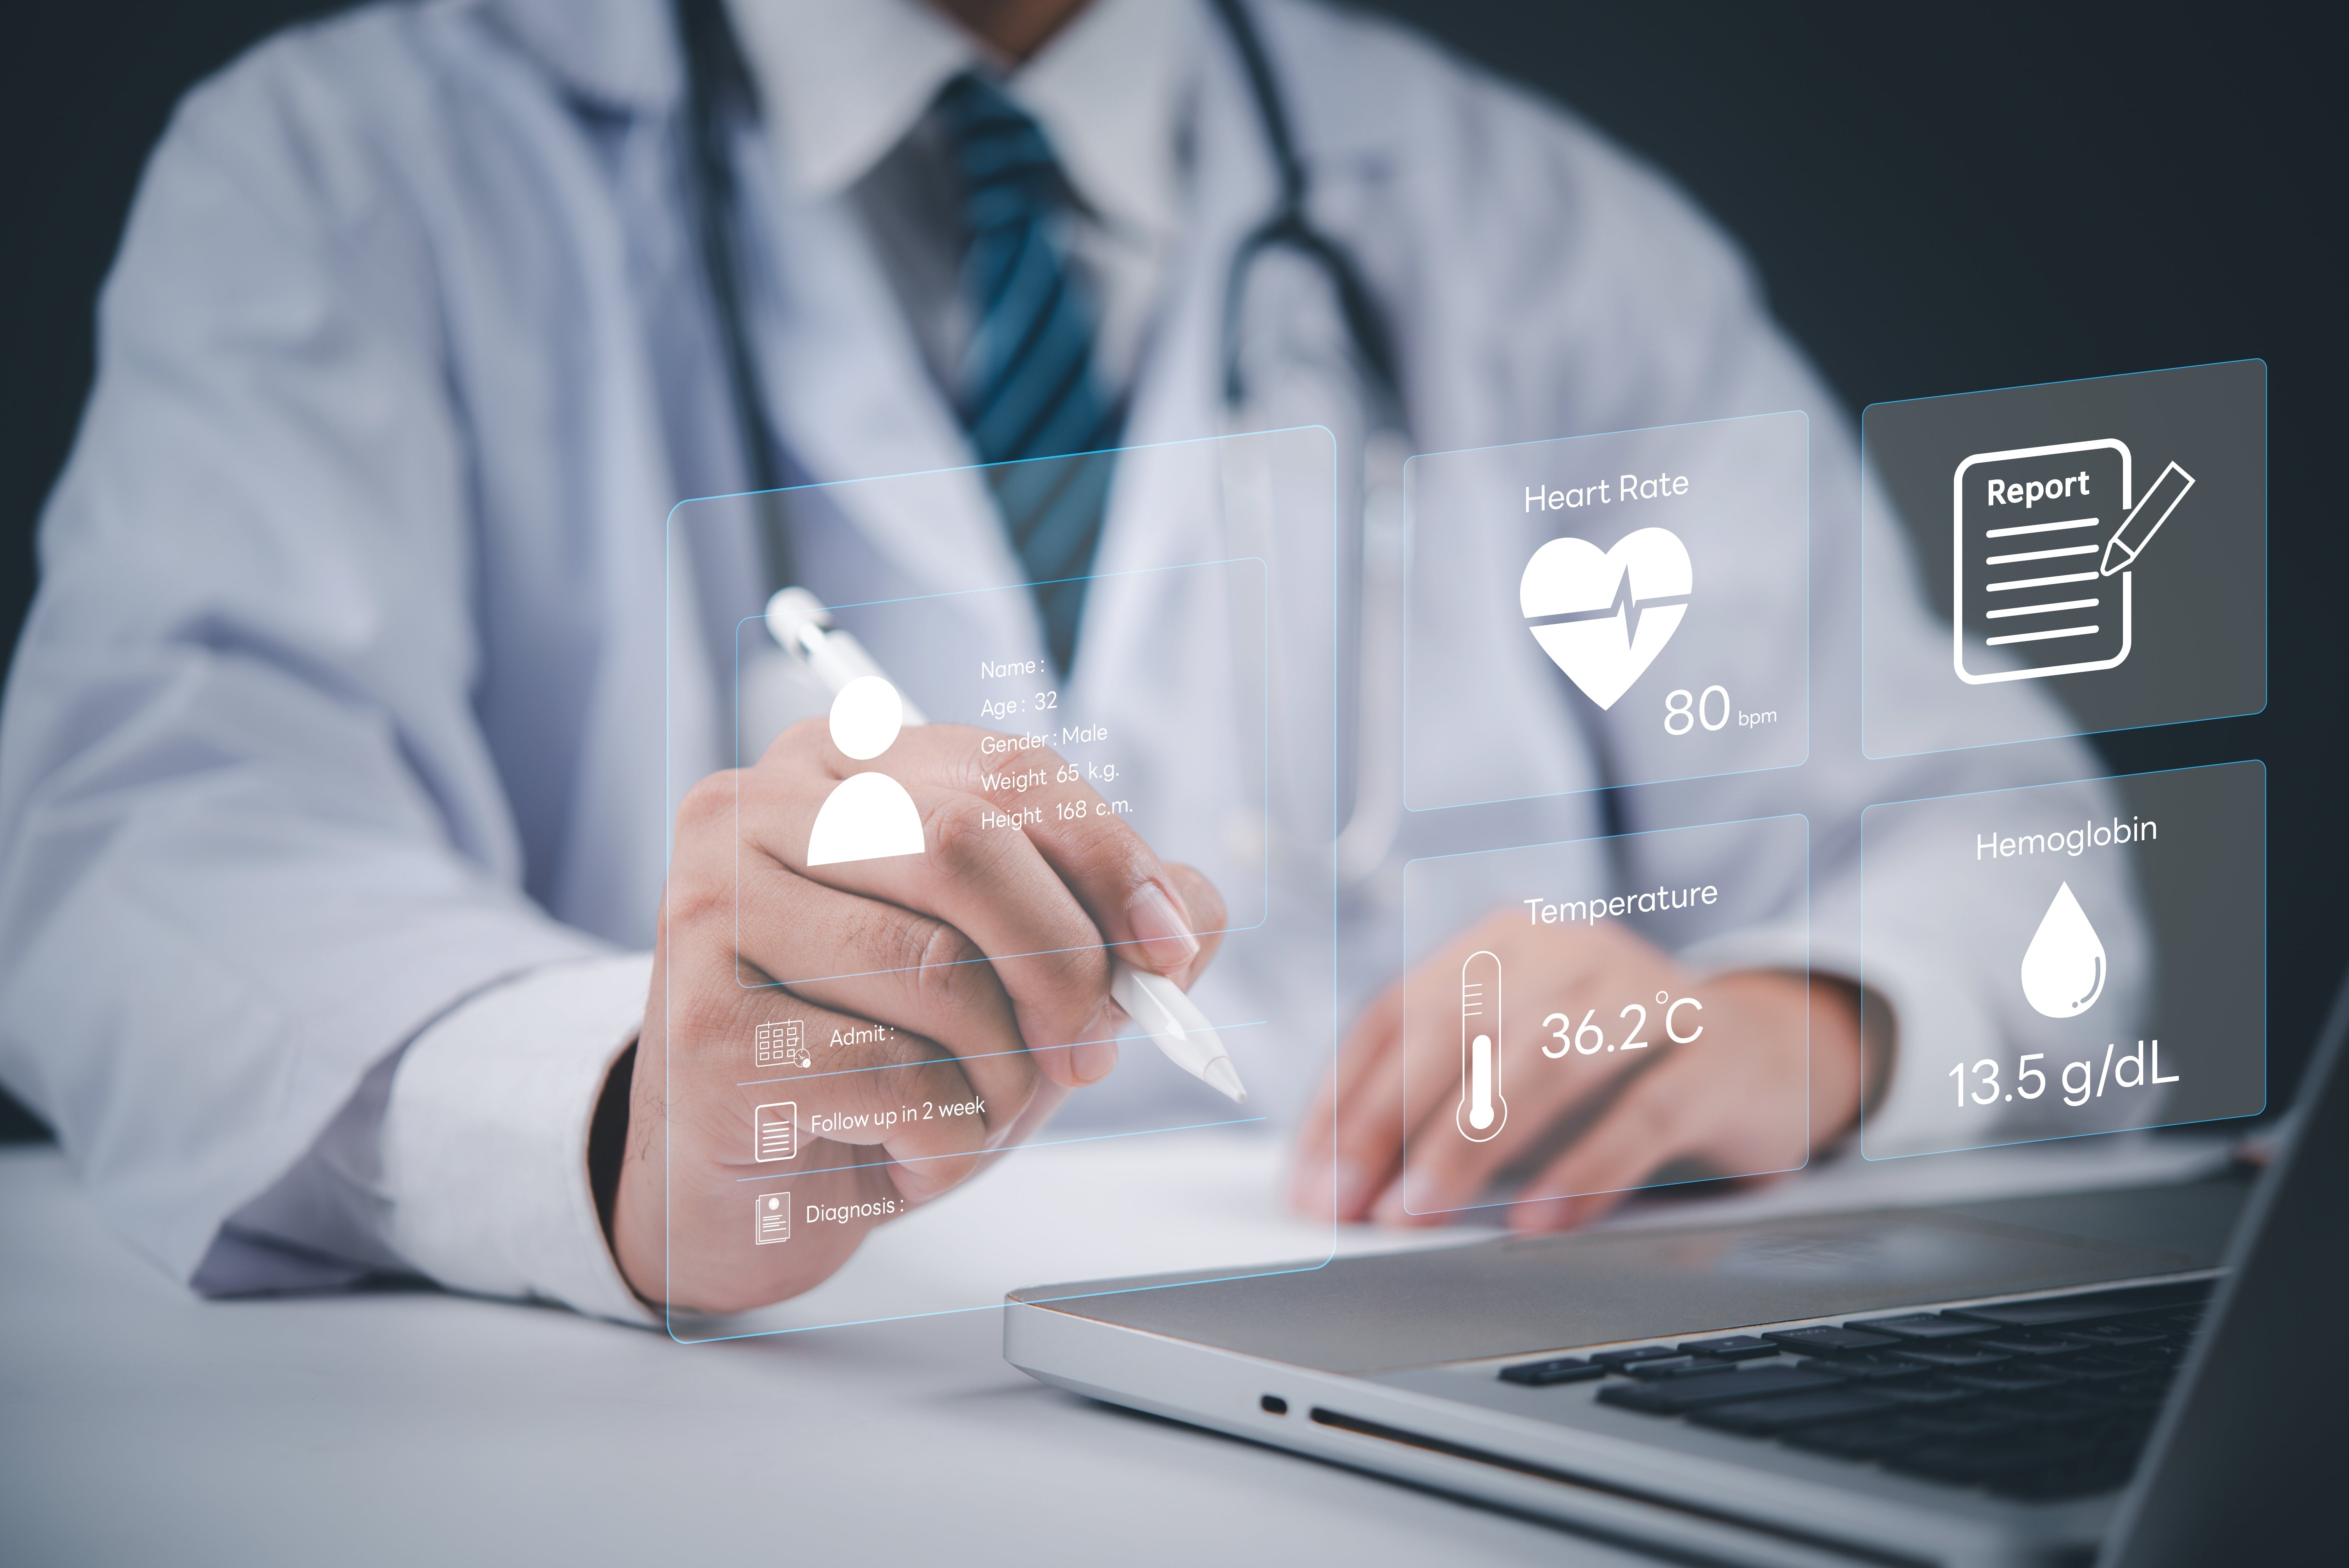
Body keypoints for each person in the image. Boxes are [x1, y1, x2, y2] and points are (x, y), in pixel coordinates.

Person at [0, 0, 2124, 1322]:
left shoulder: (1532, 224)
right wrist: (628, 1112)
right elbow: (154, 852)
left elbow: (2020, 858)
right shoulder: (356, 169)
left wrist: (1801, 1026)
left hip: (1427, 1419)